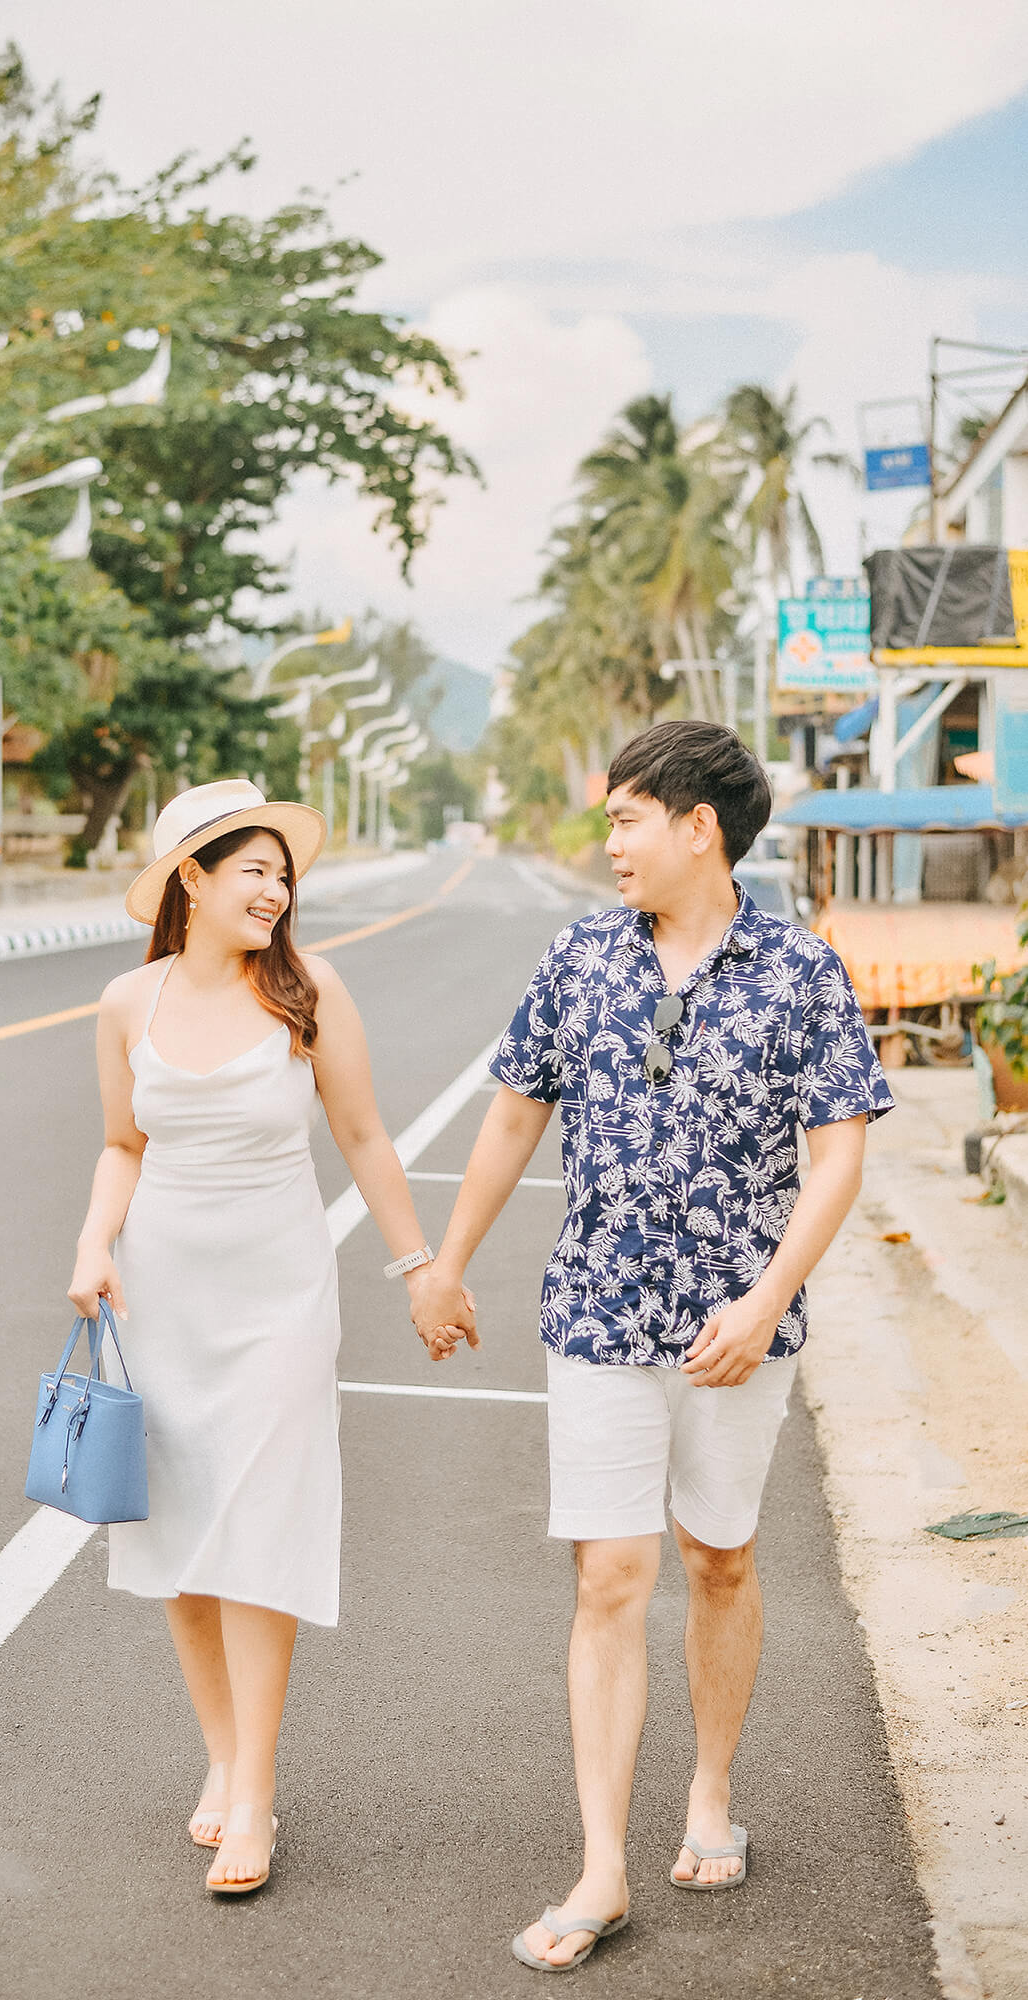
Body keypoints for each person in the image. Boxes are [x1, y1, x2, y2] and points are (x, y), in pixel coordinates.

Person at [410, 721, 893, 1971]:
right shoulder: (579, 956)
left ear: (700, 827)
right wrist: (446, 1260)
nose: (608, 840)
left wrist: (768, 1290)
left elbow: (837, 1150)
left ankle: (711, 1794)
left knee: (717, 1556)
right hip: (596, 1314)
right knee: (609, 1575)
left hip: (738, 1326)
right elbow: (517, 1110)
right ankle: (602, 1863)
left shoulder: (799, 971)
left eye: (628, 817)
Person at [67, 778, 472, 1897]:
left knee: (259, 1530)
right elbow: (119, 1143)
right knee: (181, 1538)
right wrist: (93, 1243)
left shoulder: (305, 987)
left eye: (283, 872)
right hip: (160, 1296)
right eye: (252, 868)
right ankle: (222, 1751)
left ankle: (256, 1789)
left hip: (279, 1295)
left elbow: (361, 1132)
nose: (276, 888)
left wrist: (418, 1268)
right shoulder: (124, 1001)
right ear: (189, 878)